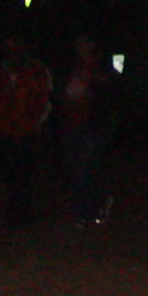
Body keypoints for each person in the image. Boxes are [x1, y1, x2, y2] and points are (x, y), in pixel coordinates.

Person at [0, 36, 53, 230]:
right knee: (9, 172)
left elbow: (44, 99)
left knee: (24, 171)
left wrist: (36, 123)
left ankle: (23, 211)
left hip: (27, 129)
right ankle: (14, 208)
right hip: (4, 130)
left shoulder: (37, 70)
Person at [59, 38, 112, 228]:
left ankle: (83, 214)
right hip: (73, 124)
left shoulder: (101, 68)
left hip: (91, 126)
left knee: (85, 171)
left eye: (84, 45)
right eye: (79, 45)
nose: (81, 48)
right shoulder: (73, 68)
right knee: (74, 169)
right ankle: (95, 204)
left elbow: (106, 93)